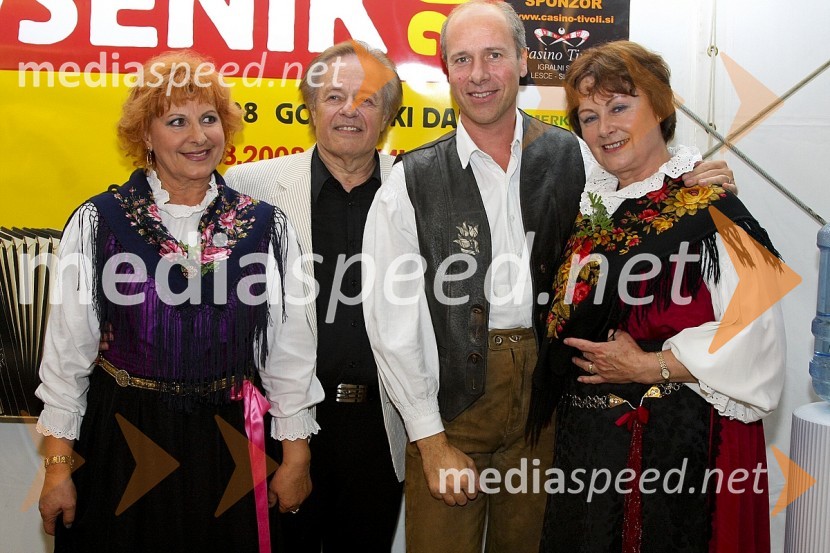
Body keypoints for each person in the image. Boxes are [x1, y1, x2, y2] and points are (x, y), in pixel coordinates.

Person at [362, 2, 736, 552]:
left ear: (523, 62)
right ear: (447, 73)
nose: (479, 74)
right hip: (450, 405)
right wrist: (430, 439)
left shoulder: (578, 157)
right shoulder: (408, 181)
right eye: (462, 59)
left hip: (551, 406)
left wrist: (693, 174)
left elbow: (641, 178)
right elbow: (391, 322)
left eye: (494, 55)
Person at [35, 51, 323, 553]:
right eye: (176, 122)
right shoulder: (98, 222)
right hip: (122, 440)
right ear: (145, 136)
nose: (198, 136)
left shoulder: (266, 227)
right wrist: (58, 467)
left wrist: (296, 456)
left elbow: (288, 353)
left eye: (209, 119)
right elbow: (67, 354)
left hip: (230, 445)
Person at [526, 40, 784, 552]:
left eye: (620, 107)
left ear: (662, 107)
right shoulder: (590, 207)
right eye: (589, 117)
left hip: (680, 449)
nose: (605, 128)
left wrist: (651, 366)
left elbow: (759, 336)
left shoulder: (715, 207)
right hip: (589, 448)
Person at [224, 41, 405, 552]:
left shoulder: (414, 190)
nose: (350, 110)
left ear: (388, 116)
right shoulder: (250, 188)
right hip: (278, 425)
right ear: (310, 107)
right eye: (334, 96)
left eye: (367, 100)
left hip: (382, 428)